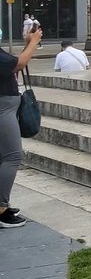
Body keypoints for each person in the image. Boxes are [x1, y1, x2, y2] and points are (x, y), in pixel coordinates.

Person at [0, 21, 44, 228]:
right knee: (12, 156)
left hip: (7, 107)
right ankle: (1, 209)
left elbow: (13, 62)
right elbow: (18, 64)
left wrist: (28, 44)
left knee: (4, 157)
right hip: (2, 109)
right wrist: (34, 42)